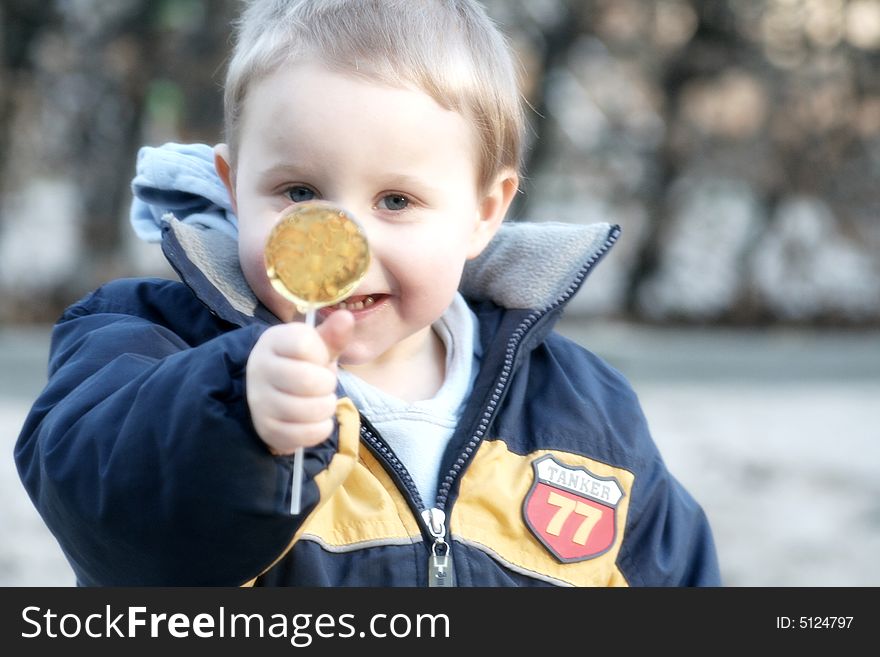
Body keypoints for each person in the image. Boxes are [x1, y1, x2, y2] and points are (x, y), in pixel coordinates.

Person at [15, 0, 720, 586]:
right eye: (299, 191)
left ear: (483, 210)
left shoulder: (586, 416)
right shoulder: (150, 341)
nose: (344, 241)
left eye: (395, 199)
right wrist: (234, 415)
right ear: (234, 189)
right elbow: (103, 514)